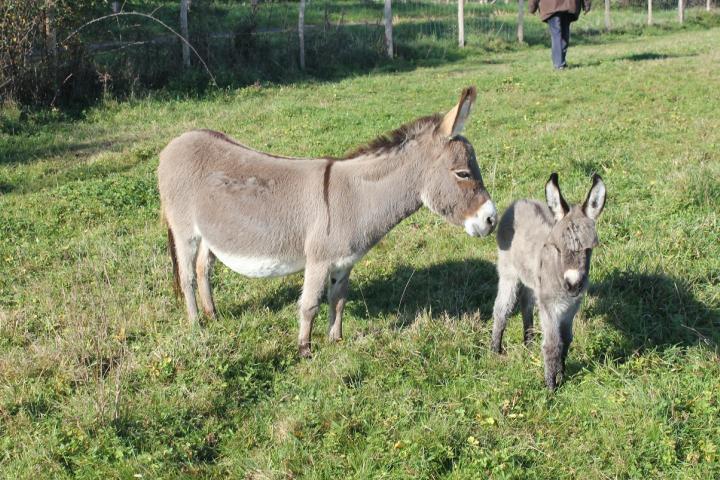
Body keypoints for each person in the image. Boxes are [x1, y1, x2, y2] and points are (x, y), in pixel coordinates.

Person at [529, 0, 591, 69]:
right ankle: (561, 62)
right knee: (564, 31)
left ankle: (559, 64)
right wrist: (586, 5)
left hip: (551, 6)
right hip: (569, 4)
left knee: (556, 34)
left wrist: (532, 7)